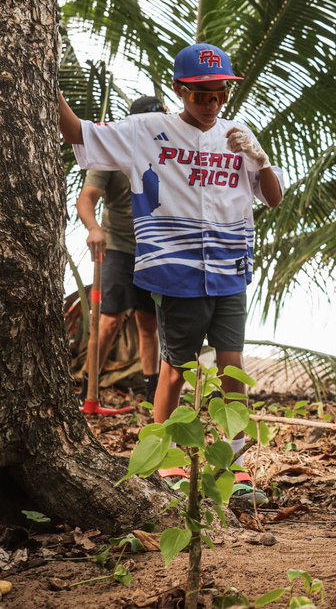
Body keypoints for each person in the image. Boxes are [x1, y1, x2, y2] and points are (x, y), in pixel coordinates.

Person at [58, 43, 285, 502]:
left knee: (231, 369)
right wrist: (47, 79)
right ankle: (167, 462)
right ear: (180, 90)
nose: (211, 104)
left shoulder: (237, 136)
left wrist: (260, 161)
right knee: (176, 369)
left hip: (229, 270)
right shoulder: (147, 131)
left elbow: (273, 199)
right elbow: (77, 132)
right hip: (176, 271)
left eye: (219, 94)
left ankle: (237, 469)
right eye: (201, 95)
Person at [76, 95, 167, 402]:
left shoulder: (170, 153)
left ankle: (152, 391)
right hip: (117, 246)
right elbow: (87, 198)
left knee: (148, 322)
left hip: (153, 249)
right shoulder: (112, 152)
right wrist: (94, 228)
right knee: (110, 320)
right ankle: (89, 386)